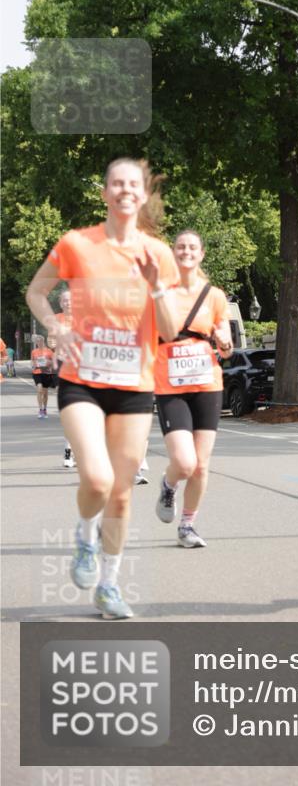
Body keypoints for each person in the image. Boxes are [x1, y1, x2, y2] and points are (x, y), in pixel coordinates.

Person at [26, 158, 179, 620]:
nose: (125, 190)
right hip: (82, 380)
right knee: (96, 478)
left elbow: (169, 332)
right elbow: (36, 292)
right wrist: (54, 325)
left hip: (133, 385)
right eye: (117, 183)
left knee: (123, 491)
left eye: (133, 184)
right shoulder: (77, 244)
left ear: (143, 193)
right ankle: (84, 534)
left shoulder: (159, 253)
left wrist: (155, 290)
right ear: (106, 192)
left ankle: (109, 587)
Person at [154, 229, 233, 548]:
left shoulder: (214, 295)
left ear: (201, 255)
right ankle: (169, 484)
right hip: (169, 384)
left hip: (207, 383)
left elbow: (225, 341)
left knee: (201, 464)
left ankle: (187, 525)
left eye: (192, 247)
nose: (186, 251)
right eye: (180, 247)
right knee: (184, 462)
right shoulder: (161, 293)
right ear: (174, 254)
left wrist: (225, 342)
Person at [48, 289, 75, 468]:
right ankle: (68, 449)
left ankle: (77, 449)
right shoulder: (56, 319)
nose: (67, 303)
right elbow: (50, 341)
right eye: (64, 301)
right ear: (60, 303)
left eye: (70, 300)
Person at [31, 335, 57, 418]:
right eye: (37, 342)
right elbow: (32, 361)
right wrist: (33, 365)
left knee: (45, 393)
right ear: (36, 343)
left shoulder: (49, 351)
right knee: (39, 389)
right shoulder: (34, 351)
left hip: (46, 373)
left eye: (40, 341)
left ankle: (45, 409)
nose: (39, 343)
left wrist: (48, 363)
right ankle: (40, 410)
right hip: (37, 372)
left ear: (43, 342)